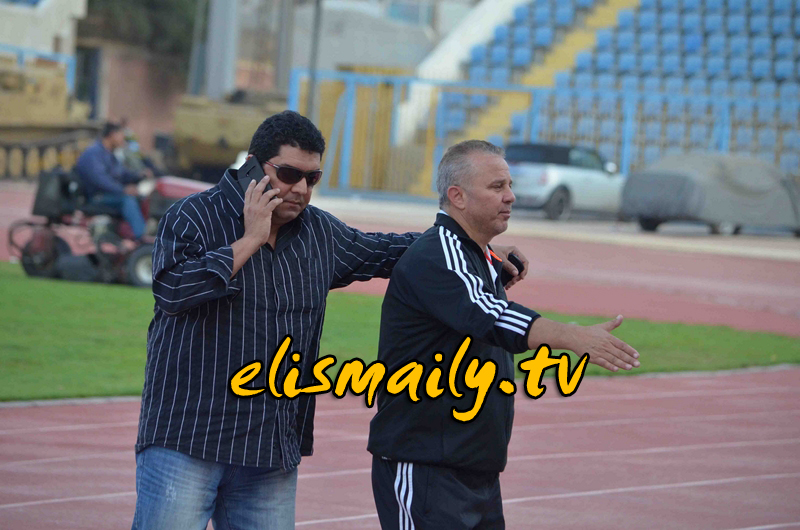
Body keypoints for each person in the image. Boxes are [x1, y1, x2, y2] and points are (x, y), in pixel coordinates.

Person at [132, 112, 527, 529]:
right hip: (186, 440)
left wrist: (478, 252)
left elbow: (395, 251)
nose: (301, 189)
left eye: (312, 178)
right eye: (289, 174)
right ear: (251, 166)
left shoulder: (319, 233)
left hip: (268, 450)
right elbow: (173, 291)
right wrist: (250, 240)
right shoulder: (193, 216)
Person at [367, 140, 641, 530]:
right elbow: (493, 317)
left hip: (473, 469)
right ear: (458, 196)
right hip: (425, 468)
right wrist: (573, 337)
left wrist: (492, 257)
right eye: (497, 186)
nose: (510, 196)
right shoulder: (438, 255)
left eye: (509, 185)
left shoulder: (475, 254)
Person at [75, 122, 151, 239]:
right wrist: (123, 189)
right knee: (127, 200)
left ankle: (135, 233)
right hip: (97, 196)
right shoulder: (93, 154)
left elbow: (122, 174)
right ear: (112, 135)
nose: (123, 139)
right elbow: (100, 180)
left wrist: (139, 175)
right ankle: (141, 238)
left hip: (110, 194)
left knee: (143, 198)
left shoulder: (110, 155)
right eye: (121, 135)